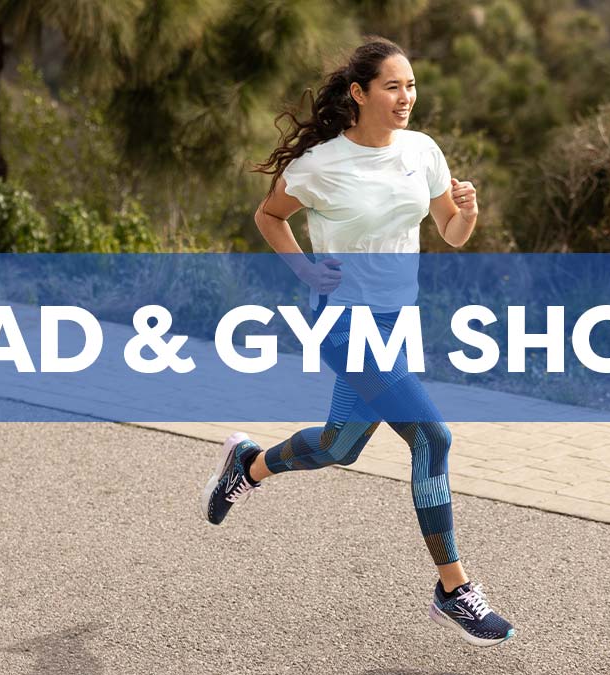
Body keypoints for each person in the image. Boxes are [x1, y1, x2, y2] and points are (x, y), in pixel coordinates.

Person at [199, 37, 515, 647]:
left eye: (412, 86)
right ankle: (454, 589)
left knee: (341, 446)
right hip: (343, 323)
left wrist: (468, 212)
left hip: (396, 321)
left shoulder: (422, 152)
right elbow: (270, 216)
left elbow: (449, 231)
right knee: (432, 435)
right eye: (393, 87)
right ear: (359, 93)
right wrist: (307, 271)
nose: (406, 98)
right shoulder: (320, 164)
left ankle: (249, 464)